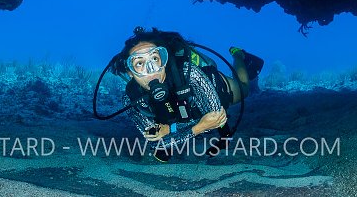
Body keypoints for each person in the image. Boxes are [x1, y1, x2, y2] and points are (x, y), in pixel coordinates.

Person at [111, 27, 263, 162]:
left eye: (155, 59)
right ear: (130, 72)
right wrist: (197, 128)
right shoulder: (131, 100)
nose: (151, 70)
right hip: (187, 113)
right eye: (139, 63)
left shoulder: (188, 73)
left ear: (164, 60)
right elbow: (156, 143)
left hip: (217, 87)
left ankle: (238, 55)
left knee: (244, 90)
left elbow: (215, 117)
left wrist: (170, 130)